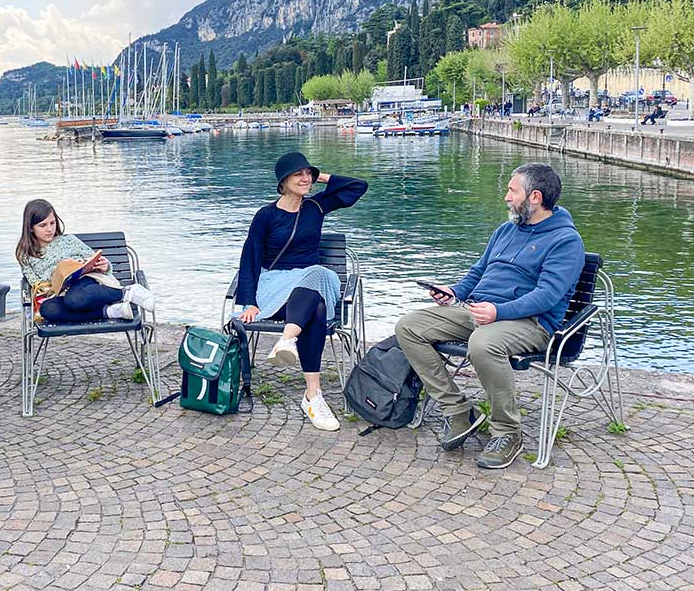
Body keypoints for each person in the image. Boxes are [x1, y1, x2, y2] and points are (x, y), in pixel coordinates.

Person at [395, 163, 585, 470]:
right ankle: (458, 411)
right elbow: (479, 272)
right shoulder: (506, 230)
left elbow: (547, 296)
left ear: (534, 197)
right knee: (410, 326)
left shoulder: (566, 241)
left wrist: (499, 311)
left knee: (483, 343)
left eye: (512, 191)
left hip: (531, 323)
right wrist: (453, 292)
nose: (506, 197)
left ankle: (508, 432)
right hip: (479, 311)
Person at [236, 152, 368, 431]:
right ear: (283, 182)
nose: (305, 178)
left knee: (317, 276)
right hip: (276, 287)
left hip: (312, 281)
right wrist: (249, 302)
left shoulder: (316, 207)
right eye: (299, 174)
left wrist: (320, 176)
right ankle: (312, 396)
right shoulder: (266, 215)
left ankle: (288, 341)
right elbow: (249, 258)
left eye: (308, 173)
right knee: (316, 309)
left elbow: (358, 186)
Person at [16, 199, 155, 323]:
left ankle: (127, 292)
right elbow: (35, 284)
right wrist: (54, 279)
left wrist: (105, 266)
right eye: (43, 225)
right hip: (59, 292)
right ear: (30, 228)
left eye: (52, 223)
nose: (49, 229)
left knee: (74, 299)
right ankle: (110, 311)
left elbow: (94, 258)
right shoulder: (25, 255)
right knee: (47, 309)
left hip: (86, 281)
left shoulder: (68, 241)